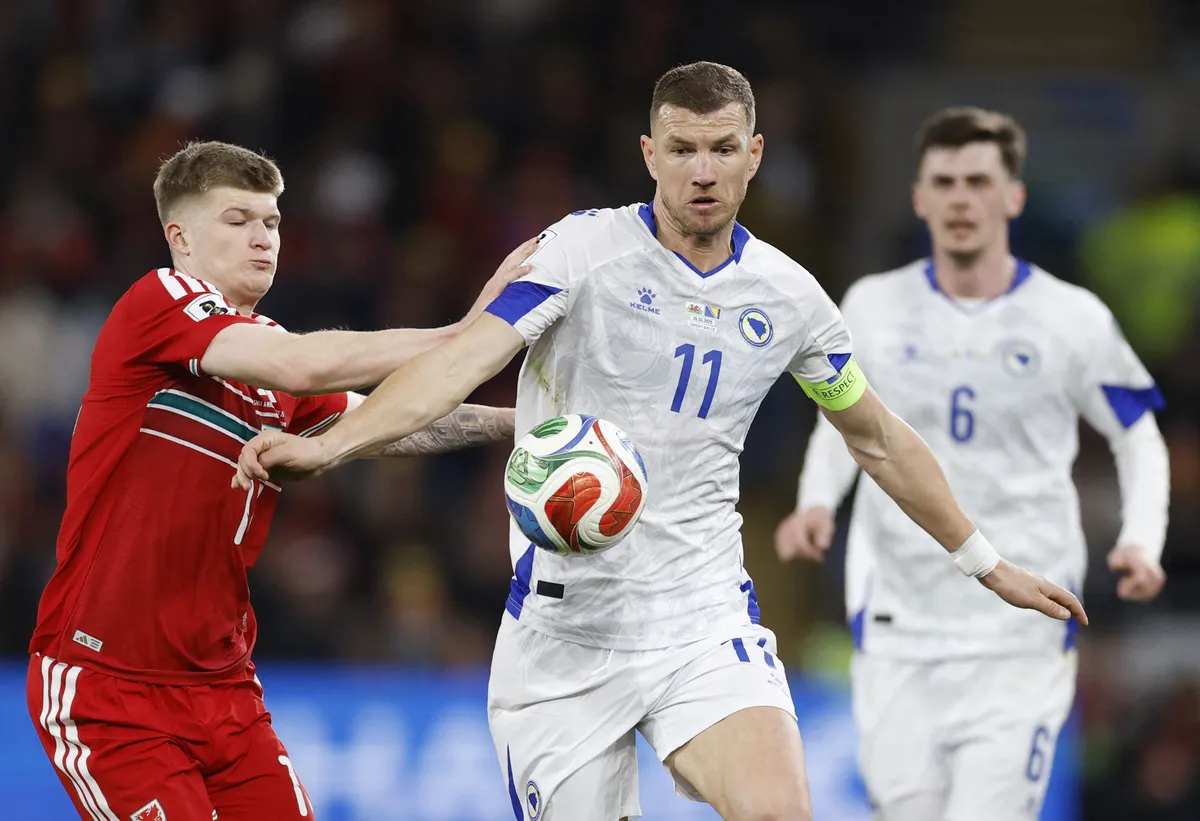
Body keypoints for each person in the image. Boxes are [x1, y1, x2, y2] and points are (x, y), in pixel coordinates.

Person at [235, 67, 1086, 821]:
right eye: (681, 149)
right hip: (564, 635)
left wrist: (985, 563)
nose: (701, 171)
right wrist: (333, 446)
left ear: (755, 154)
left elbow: (878, 438)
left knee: (779, 810)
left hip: (701, 618)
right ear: (650, 154)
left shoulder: (791, 299)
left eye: (721, 148)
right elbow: (459, 363)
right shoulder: (580, 252)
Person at [27, 140, 532, 821]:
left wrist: (520, 421)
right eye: (237, 220)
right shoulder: (159, 302)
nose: (262, 237)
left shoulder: (264, 356)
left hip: (224, 689)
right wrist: (466, 332)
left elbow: (392, 424)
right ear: (180, 236)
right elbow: (300, 364)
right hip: (111, 688)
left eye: (271, 221)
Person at [775, 107, 1170, 821]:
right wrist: (816, 501)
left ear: (1013, 197)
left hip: (1019, 624)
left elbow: (1137, 434)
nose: (961, 199)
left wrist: (1142, 536)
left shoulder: (1071, 316)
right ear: (919, 197)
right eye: (945, 182)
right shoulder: (872, 305)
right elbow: (848, 423)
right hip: (900, 621)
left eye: (979, 182)